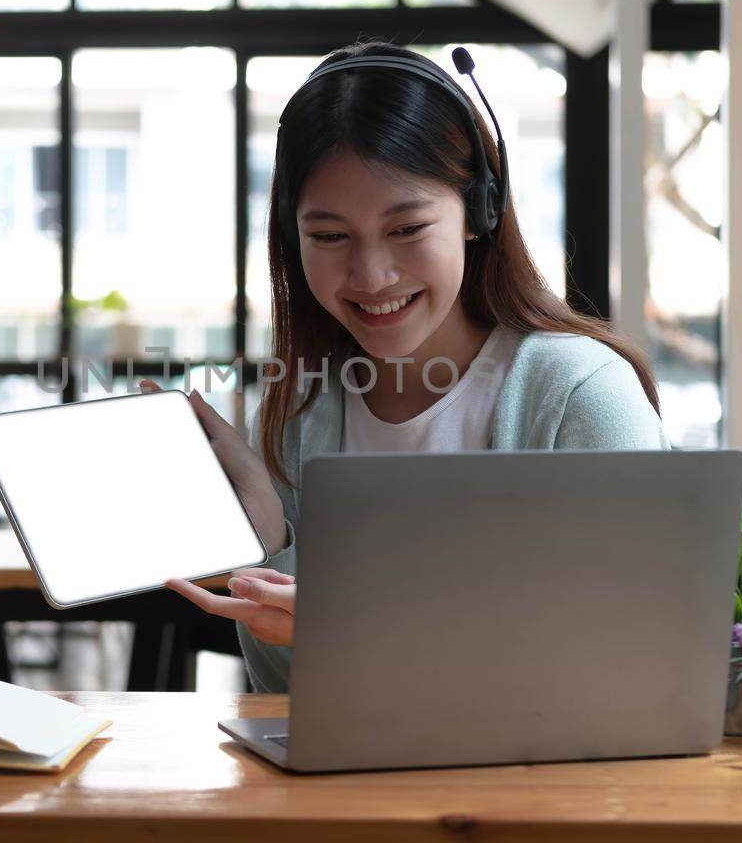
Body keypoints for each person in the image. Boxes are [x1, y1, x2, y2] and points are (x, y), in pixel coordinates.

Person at [139, 40, 668, 693]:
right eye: (330, 236)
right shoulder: (300, 418)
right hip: (353, 793)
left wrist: (350, 631)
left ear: (479, 212)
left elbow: (636, 671)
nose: (370, 275)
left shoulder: (580, 395)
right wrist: (270, 536)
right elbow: (289, 698)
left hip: (543, 794)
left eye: (407, 228)